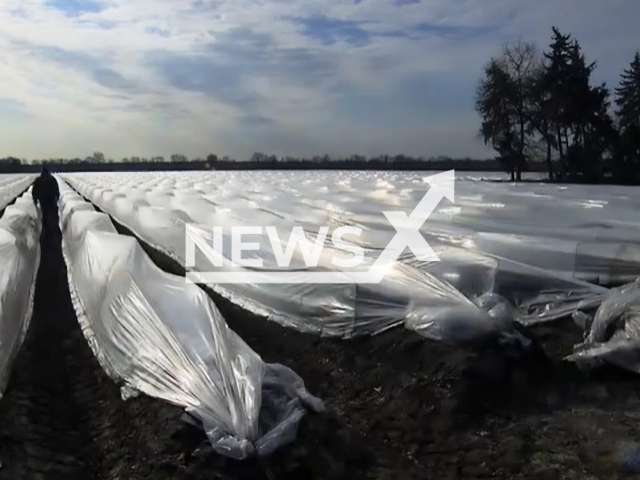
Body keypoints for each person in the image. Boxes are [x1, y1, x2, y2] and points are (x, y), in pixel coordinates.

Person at [32, 167, 60, 233]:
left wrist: (35, 199)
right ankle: (52, 228)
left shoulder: (38, 180)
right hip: (51, 200)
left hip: (43, 200)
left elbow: (34, 191)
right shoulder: (52, 179)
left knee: (44, 213)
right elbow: (56, 189)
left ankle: (45, 227)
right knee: (51, 213)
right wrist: (57, 197)